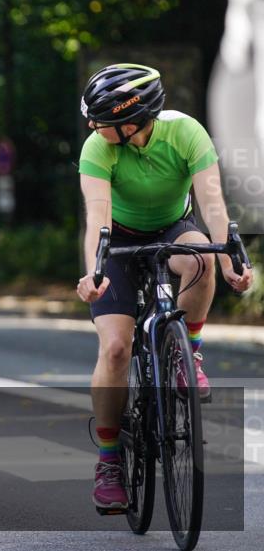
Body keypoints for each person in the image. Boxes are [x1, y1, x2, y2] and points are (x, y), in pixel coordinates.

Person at [75, 63, 254, 512]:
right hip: (117, 240)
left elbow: (211, 202)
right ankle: (110, 460)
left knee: (201, 258)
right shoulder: (98, 148)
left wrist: (231, 254)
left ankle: (187, 353)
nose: (94, 127)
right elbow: (96, 217)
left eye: (102, 120)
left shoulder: (186, 133)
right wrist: (93, 274)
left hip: (173, 228)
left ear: (132, 121)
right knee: (116, 349)